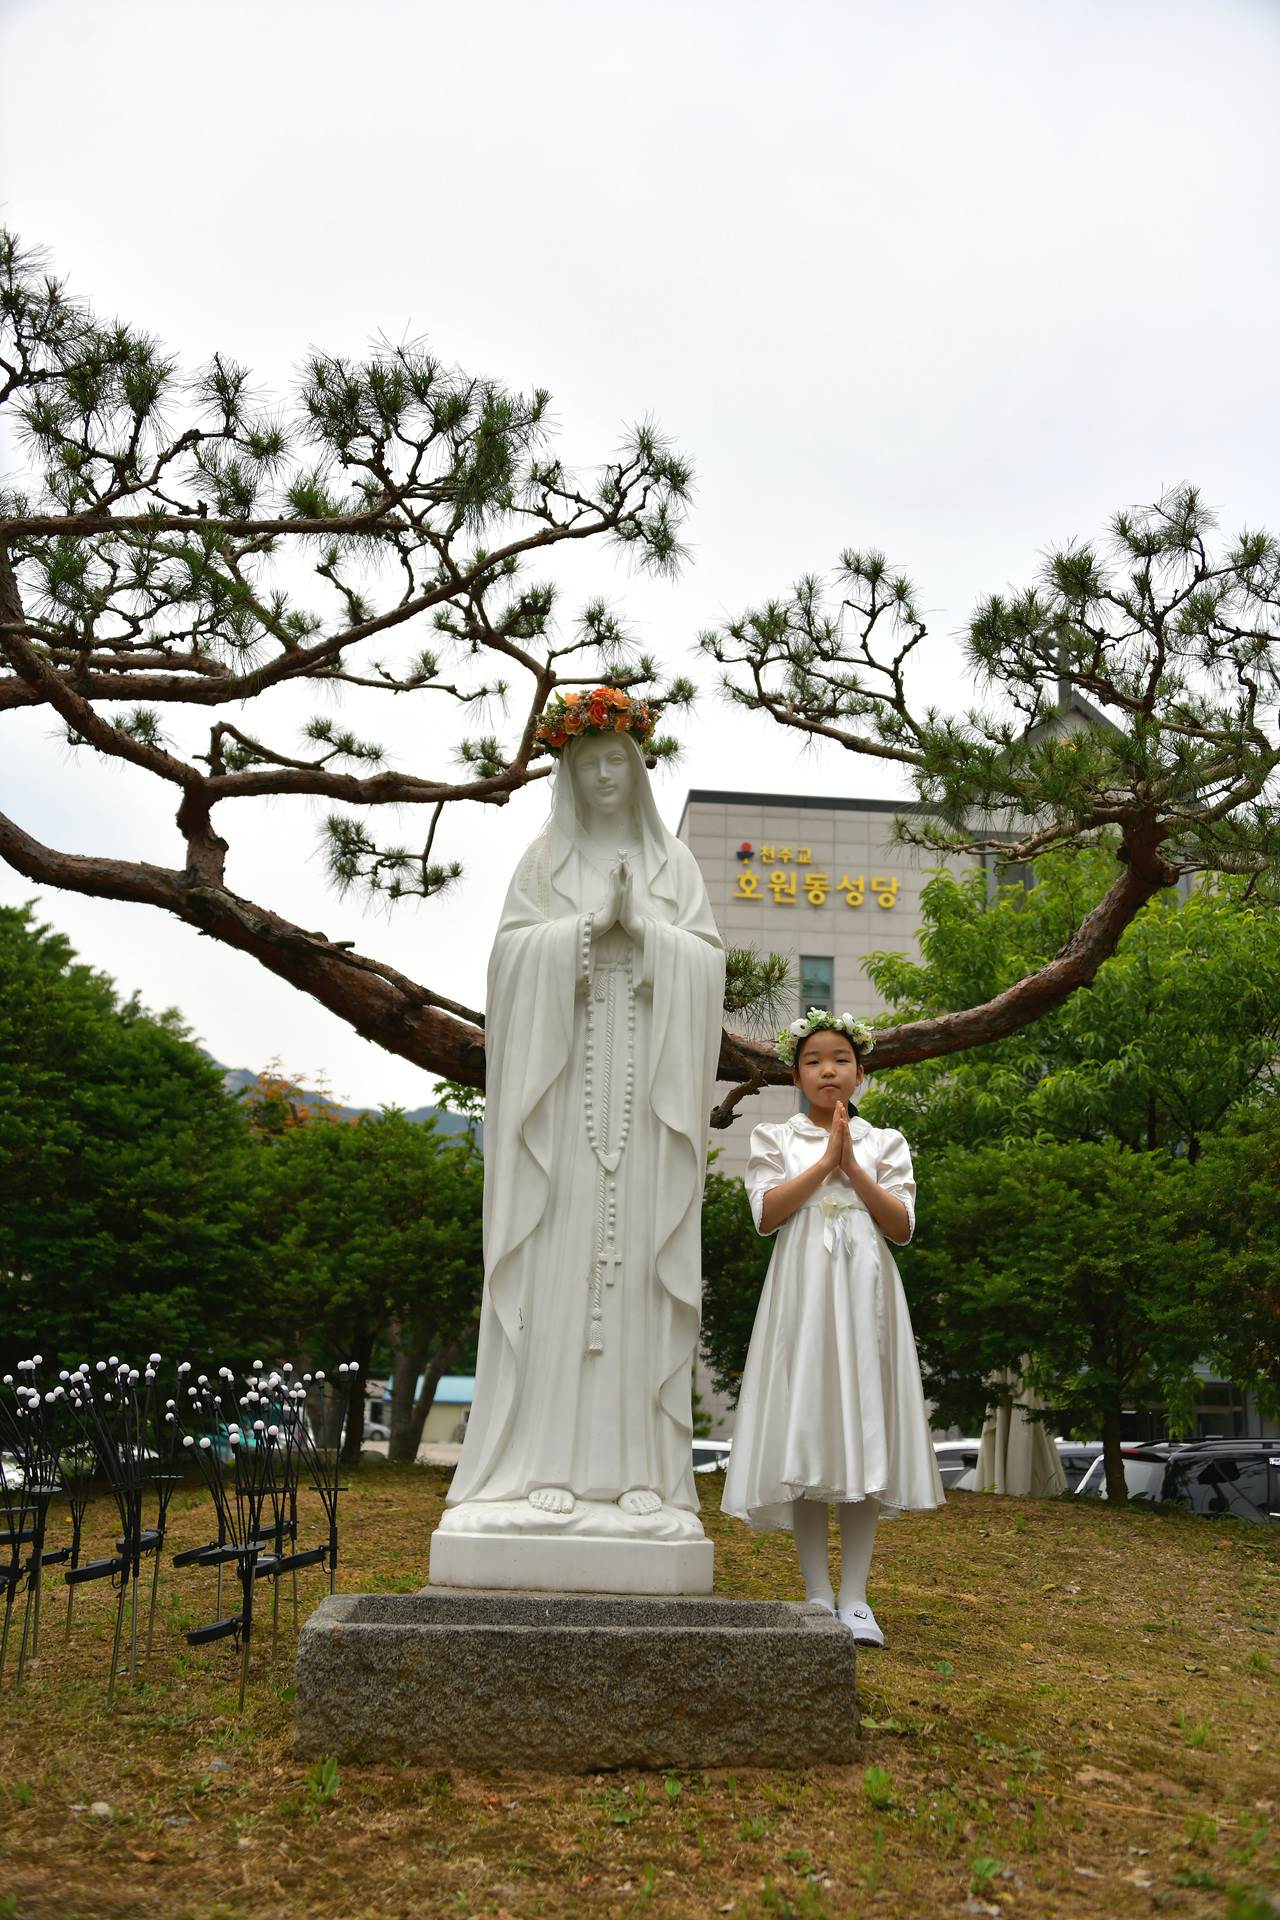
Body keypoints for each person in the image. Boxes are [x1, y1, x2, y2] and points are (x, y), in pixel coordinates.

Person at [439, 688, 725, 1543]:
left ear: (637, 769)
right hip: (560, 1105)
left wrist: (648, 934)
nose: (604, 776)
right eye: (589, 763)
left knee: (636, 1277)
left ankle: (639, 1473)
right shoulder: (544, 864)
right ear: (567, 772)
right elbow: (506, 964)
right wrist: (583, 933)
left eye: (616, 762)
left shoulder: (674, 868)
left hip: (646, 1107)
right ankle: (545, 1467)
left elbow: (707, 963)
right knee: (558, 1270)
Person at [721, 1011, 943, 1643]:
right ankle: (817, 1593)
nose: (828, 1070)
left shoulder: (887, 1142)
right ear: (796, 1076)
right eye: (814, 1061)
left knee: (863, 1435)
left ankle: (856, 1599)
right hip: (803, 1296)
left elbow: (900, 1227)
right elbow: (767, 1214)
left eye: (841, 1060)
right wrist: (825, 1163)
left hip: (866, 1295)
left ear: (860, 1072)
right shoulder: (774, 1137)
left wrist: (853, 1164)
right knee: (808, 1431)